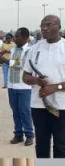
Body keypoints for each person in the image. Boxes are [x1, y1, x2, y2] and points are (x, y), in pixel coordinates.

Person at [23, 15, 65, 158]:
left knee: (61, 145)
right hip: (38, 105)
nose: (44, 28)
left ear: (59, 27)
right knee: (41, 144)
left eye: (49, 25)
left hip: (61, 106)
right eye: (42, 25)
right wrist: (36, 81)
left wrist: (56, 88)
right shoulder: (34, 49)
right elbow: (25, 77)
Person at [8, 28, 34, 146]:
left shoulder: (29, 50)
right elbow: (13, 63)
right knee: (15, 111)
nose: (14, 38)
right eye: (15, 36)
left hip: (24, 86)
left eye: (17, 36)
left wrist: (5, 60)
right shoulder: (13, 49)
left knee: (24, 111)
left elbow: (20, 64)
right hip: (12, 85)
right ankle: (18, 134)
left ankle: (29, 134)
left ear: (25, 38)